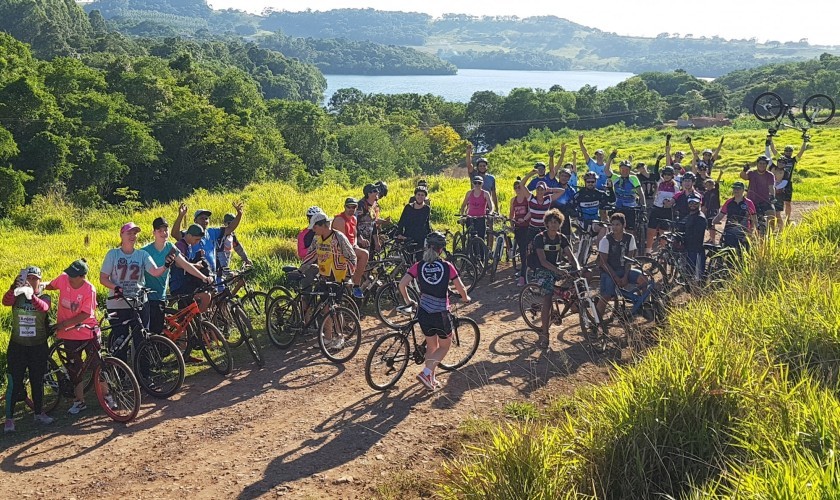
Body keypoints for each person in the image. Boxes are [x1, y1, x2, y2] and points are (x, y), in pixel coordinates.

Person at [398, 232, 470, 391]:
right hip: (440, 313)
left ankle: (430, 377)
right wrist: (465, 298)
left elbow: (402, 284)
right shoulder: (447, 266)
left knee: (432, 346)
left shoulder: (418, 265)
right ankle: (426, 373)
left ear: (426, 247)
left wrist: (408, 300)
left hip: (424, 311)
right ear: (441, 249)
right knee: (444, 346)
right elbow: (460, 288)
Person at [100, 223, 170, 367]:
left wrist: (166, 265)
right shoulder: (113, 254)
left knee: (142, 341)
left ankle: (144, 376)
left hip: (138, 303)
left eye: (135, 233)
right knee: (121, 341)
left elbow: (155, 272)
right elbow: (103, 278)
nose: (132, 236)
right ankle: (121, 377)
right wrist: (116, 287)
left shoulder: (142, 255)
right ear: (121, 235)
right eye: (129, 233)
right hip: (117, 304)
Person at [44, 260, 101, 415]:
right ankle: (79, 401)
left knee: (98, 365)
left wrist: (64, 324)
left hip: (87, 332)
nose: (69, 277)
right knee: (74, 368)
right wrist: (36, 287)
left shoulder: (90, 289)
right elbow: (49, 285)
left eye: (73, 275)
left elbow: (85, 314)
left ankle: (106, 395)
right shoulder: (63, 278)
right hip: (68, 335)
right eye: (69, 273)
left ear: (83, 277)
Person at [142, 217, 213, 335]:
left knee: (157, 331)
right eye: (160, 230)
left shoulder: (171, 248)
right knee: (147, 332)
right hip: (147, 297)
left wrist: (203, 277)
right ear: (154, 232)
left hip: (161, 295)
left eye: (166, 230)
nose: (164, 233)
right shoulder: (144, 251)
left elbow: (185, 265)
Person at [4, 266, 53, 432]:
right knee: (14, 383)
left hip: (38, 347)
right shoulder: (17, 296)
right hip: (17, 346)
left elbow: (44, 308)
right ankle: (9, 420)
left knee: (37, 380)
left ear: (39, 281)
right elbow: (5, 301)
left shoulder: (45, 297)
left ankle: (39, 413)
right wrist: (13, 287)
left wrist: (31, 296)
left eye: (35, 279)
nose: (32, 282)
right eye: (29, 278)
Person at [302, 213, 357, 349]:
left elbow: (352, 257)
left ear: (322, 225)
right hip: (324, 277)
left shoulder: (339, 237)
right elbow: (310, 255)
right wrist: (300, 270)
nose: (313, 230)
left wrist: (348, 276)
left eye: (314, 227)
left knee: (335, 308)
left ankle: (339, 337)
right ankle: (328, 337)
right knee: (325, 308)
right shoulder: (316, 239)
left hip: (338, 278)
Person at [528, 209, 580, 349]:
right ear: (546, 224)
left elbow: (570, 255)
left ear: (560, 224)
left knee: (575, 284)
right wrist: (559, 271)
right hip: (541, 269)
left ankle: (572, 306)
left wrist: (577, 267)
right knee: (548, 298)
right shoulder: (540, 238)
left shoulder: (561, 238)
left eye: (556, 222)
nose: (553, 225)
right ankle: (545, 334)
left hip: (555, 268)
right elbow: (543, 261)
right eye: (551, 222)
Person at [171, 202, 244, 279]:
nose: (204, 221)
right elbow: (175, 234)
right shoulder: (190, 233)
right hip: (195, 274)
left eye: (206, 218)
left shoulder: (212, 232)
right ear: (195, 221)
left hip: (212, 274)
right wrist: (180, 216)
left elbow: (229, 229)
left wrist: (239, 214)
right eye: (201, 218)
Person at [596, 213, 647, 321]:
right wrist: (616, 277)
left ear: (624, 225)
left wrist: (625, 276)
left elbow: (629, 260)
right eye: (612, 224)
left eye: (617, 224)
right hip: (609, 271)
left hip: (624, 270)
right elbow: (603, 263)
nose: (614, 227)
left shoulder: (630, 238)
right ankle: (596, 322)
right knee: (606, 296)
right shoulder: (606, 240)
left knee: (643, 280)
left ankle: (642, 306)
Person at [169, 224, 215, 314]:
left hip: (186, 282)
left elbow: (188, 262)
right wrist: (195, 265)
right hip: (179, 284)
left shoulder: (189, 246)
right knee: (206, 296)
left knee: (210, 291)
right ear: (189, 235)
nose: (198, 242)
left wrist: (197, 256)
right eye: (196, 239)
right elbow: (179, 264)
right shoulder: (180, 245)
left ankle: (196, 320)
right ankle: (198, 320)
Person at [332, 198, 369, 298]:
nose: (351, 209)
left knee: (365, 254)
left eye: (354, 207)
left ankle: (355, 282)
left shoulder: (354, 219)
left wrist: (357, 243)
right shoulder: (340, 220)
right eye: (349, 206)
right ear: (344, 207)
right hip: (340, 250)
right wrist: (353, 248)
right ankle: (356, 285)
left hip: (351, 247)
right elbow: (341, 240)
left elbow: (354, 235)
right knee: (364, 254)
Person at [768, 135, 808, 225]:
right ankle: (777, 218)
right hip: (778, 182)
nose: (788, 152)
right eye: (787, 150)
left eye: (790, 151)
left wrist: (805, 142)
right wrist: (770, 139)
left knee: (788, 203)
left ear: (792, 152)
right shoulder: (780, 158)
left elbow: (801, 152)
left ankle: (787, 219)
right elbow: (773, 150)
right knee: (776, 201)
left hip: (788, 183)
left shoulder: (794, 160)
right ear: (784, 151)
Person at [712, 181, 757, 253]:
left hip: (743, 233)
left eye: (738, 189)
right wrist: (713, 222)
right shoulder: (728, 202)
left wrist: (750, 233)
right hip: (729, 232)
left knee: (743, 254)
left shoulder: (749, 203)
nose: (736, 190)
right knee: (729, 254)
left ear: (743, 190)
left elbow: (754, 219)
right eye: (734, 189)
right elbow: (720, 215)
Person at [572, 171, 614, 245]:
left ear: (596, 182)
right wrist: (574, 213)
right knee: (582, 244)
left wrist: (610, 188)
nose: (590, 183)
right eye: (588, 182)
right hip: (582, 222)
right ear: (585, 182)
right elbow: (571, 207)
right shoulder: (579, 195)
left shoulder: (599, 194)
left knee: (604, 228)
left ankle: (600, 251)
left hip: (595, 221)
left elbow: (612, 200)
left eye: (593, 181)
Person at [646, 165, 678, 254]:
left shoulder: (675, 187)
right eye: (665, 174)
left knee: (663, 233)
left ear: (672, 175)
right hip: (656, 208)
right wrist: (658, 161)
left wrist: (670, 203)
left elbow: (676, 199)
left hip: (667, 210)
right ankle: (648, 250)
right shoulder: (660, 182)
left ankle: (662, 252)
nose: (666, 176)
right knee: (650, 231)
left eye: (669, 174)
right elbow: (656, 173)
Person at [396, 186, 432, 258]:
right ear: (415, 195)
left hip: (421, 236)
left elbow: (427, 223)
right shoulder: (408, 207)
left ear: (425, 197)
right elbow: (402, 221)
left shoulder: (427, 208)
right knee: (408, 258)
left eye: (422, 195)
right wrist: (399, 233)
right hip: (408, 236)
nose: (420, 197)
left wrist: (430, 235)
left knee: (420, 258)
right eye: (418, 194)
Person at [610, 160, 646, 231]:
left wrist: (643, 204)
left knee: (629, 229)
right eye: (622, 169)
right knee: (615, 228)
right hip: (618, 206)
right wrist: (610, 159)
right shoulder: (616, 178)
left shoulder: (633, 178)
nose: (624, 171)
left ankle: (631, 240)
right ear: (619, 170)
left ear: (629, 170)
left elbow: (640, 192)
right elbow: (606, 171)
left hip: (630, 206)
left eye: (626, 169)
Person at [740, 155, 776, 223]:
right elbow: (743, 176)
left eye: (764, 164)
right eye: (760, 163)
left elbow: (771, 187)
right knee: (751, 221)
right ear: (757, 164)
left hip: (765, 200)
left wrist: (772, 196)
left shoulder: (770, 175)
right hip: (752, 201)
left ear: (766, 165)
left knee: (772, 216)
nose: (762, 165)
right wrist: (744, 170)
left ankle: (771, 233)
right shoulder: (752, 173)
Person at [509, 178, 531, 286]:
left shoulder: (527, 199)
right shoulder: (513, 200)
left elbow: (531, 211)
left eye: (519, 187)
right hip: (518, 228)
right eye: (515, 188)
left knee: (526, 251)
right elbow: (511, 214)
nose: (517, 189)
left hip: (527, 227)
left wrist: (525, 219)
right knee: (522, 251)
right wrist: (511, 224)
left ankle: (524, 275)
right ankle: (524, 272)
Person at [682, 194, 707, 284]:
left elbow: (696, 236)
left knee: (696, 276)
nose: (692, 205)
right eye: (690, 203)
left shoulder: (700, 218)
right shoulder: (690, 215)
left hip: (696, 250)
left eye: (695, 203)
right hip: (689, 247)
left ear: (699, 203)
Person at [459, 176, 494, 240]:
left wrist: (490, 213)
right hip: (470, 218)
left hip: (481, 218)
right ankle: (469, 248)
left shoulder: (485, 193)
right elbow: (463, 205)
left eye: (479, 183)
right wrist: (462, 216)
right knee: (471, 237)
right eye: (475, 183)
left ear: (482, 184)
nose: (477, 185)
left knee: (481, 237)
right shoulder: (469, 193)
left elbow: (491, 205)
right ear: (473, 183)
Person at [357, 183, 388, 255]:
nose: (377, 192)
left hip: (369, 239)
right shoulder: (361, 206)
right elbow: (353, 224)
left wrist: (376, 242)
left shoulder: (372, 206)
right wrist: (360, 238)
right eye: (375, 191)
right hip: (359, 241)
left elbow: (373, 224)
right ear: (369, 194)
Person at [466, 144, 498, 213]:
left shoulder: (491, 178)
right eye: (480, 166)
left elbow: (494, 194)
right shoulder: (474, 175)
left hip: (487, 205)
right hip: (474, 204)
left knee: (489, 221)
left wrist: (497, 209)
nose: (482, 167)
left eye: (484, 166)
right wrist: (468, 153)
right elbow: (469, 165)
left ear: (487, 167)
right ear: (477, 167)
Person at [702, 171, 724, 244]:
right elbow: (704, 203)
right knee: (709, 224)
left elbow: (717, 183)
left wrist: (720, 174)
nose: (709, 186)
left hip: (714, 209)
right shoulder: (705, 193)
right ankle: (711, 237)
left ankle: (713, 239)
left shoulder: (715, 191)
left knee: (712, 223)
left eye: (710, 185)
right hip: (708, 210)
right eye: (707, 185)